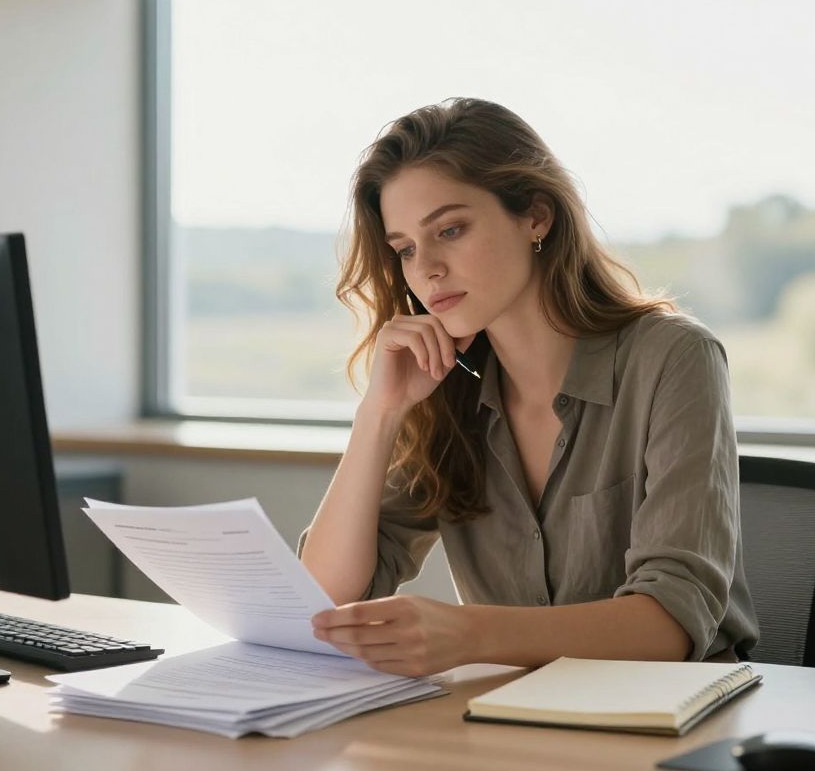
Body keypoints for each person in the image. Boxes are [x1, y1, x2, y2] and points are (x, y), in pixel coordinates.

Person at [299, 97, 758, 677]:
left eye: (451, 229)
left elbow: (669, 621)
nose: (428, 269)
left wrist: (468, 633)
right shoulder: (447, 386)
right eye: (406, 250)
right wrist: (380, 413)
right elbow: (324, 600)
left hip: (666, 722)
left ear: (536, 216)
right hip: (508, 719)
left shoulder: (671, 357)